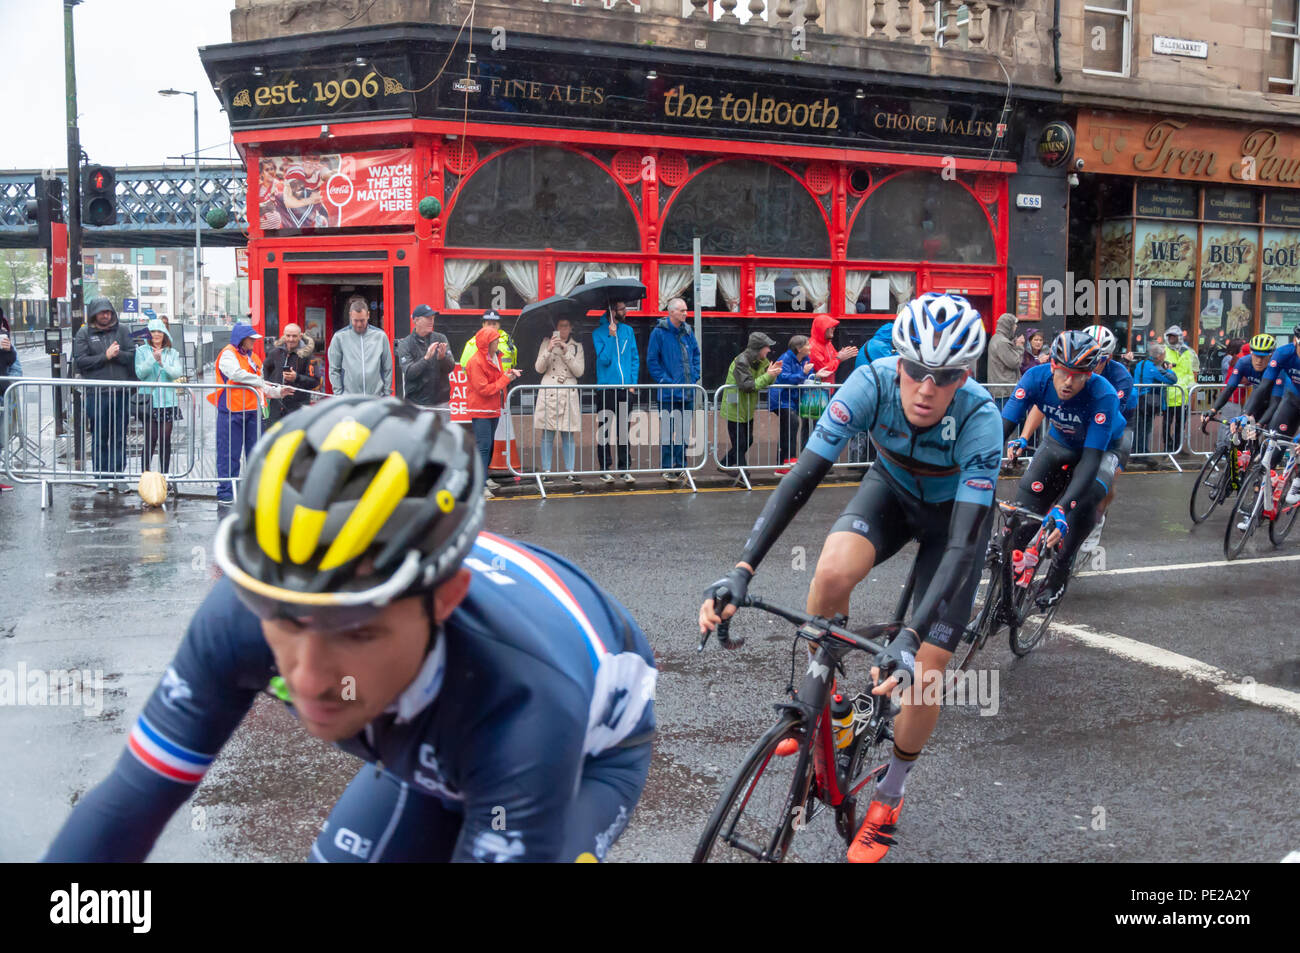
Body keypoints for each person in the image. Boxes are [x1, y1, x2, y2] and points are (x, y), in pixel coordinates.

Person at [43, 398, 657, 863]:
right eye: (285, 621)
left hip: (583, 759)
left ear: (444, 599)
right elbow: (130, 803)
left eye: (356, 631)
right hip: (427, 734)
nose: (306, 677)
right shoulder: (244, 612)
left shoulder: (524, 702)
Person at [700, 293, 1000, 864]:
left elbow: (962, 542)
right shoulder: (870, 382)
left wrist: (911, 636)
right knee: (831, 573)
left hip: (951, 525)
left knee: (928, 670)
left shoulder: (982, 422)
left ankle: (889, 797)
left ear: (964, 376)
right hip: (889, 495)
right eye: (915, 370)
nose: (925, 388)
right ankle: (827, 710)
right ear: (899, 362)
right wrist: (742, 569)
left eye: (943, 377)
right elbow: (802, 478)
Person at [1002, 330, 1125, 609]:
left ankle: (1059, 573)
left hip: (1103, 448)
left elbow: (1091, 460)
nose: (1069, 382)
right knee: (1021, 519)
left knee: (1084, 502)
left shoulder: (1103, 393)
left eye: (1079, 375)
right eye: (1064, 372)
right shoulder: (1035, 376)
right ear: (1053, 366)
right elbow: (1003, 426)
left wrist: (1064, 507)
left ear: (1090, 374)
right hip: (1060, 441)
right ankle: (1003, 602)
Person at [208, 322, 283, 507]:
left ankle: (253, 491)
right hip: (232, 411)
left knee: (255, 454)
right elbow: (235, 374)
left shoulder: (254, 358)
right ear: (242, 339)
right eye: (251, 339)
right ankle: (226, 492)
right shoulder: (228, 354)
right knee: (228, 454)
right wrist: (259, 380)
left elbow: (261, 384)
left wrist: (279, 392)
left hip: (252, 411)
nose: (254, 342)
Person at [73, 297, 137, 487]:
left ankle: (118, 476)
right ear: (94, 313)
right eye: (102, 312)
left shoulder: (123, 330)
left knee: (119, 435)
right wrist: (105, 356)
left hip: (120, 392)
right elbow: (81, 361)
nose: (106, 315)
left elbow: (133, 356)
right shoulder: (84, 333)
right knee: (99, 435)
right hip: (97, 393)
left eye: (108, 312)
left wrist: (117, 356)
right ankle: (101, 477)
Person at [646, 297, 700, 484]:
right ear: (671, 312)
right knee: (668, 432)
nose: (686, 313)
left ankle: (681, 466)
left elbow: (696, 355)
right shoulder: (659, 333)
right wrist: (664, 380)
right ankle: (667, 468)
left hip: (687, 391)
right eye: (682, 310)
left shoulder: (688, 331)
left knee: (684, 432)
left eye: (686, 310)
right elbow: (652, 361)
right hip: (668, 393)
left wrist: (695, 375)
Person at [465, 325, 521, 499]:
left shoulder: (494, 357)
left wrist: (509, 373)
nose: (498, 342)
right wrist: (506, 379)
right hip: (481, 410)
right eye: (495, 340)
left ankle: (485, 478)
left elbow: (496, 380)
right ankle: (480, 485)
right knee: (483, 448)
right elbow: (484, 389)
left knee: (488, 448)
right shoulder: (475, 362)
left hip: (493, 408)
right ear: (487, 343)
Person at [592, 300, 639, 485]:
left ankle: (624, 468)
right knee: (604, 430)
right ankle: (605, 468)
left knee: (623, 430)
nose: (625, 311)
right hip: (605, 388)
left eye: (624, 308)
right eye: (621, 309)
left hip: (624, 389)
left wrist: (632, 384)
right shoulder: (598, 333)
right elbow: (603, 360)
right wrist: (611, 337)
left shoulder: (628, 331)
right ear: (612, 311)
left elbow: (634, 358)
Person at [533, 317, 585, 484]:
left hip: (568, 392)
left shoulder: (577, 347)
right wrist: (548, 349)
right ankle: (546, 471)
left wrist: (565, 351)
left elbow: (579, 371)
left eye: (566, 326)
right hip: (549, 392)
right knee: (547, 433)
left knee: (568, 434)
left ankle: (570, 470)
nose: (563, 329)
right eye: (561, 326)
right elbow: (538, 368)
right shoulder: (546, 343)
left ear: (570, 328)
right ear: (555, 328)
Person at [719, 331, 777, 473]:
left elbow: (764, 381)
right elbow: (748, 386)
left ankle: (724, 464)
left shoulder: (761, 361)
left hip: (747, 407)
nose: (769, 350)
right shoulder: (741, 361)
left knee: (747, 441)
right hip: (735, 407)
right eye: (766, 347)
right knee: (740, 443)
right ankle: (743, 475)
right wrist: (768, 375)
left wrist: (772, 373)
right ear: (758, 348)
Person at [1203, 333, 1275, 447]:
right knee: (1239, 436)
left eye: (1263, 357)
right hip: (1257, 399)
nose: (1259, 361)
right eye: (1256, 355)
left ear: (1270, 356)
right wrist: (1213, 409)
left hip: (1276, 401)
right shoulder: (1243, 362)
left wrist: (1260, 424)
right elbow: (1229, 388)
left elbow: (1277, 402)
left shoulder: (1276, 367)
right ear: (1251, 353)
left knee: (1271, 441)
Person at [134, 318, 185, 473]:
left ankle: (164, 476)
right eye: (152, 331)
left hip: (168, 402)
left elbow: (177, 372)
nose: (156, 335)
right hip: (149, 403)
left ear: (164, 334)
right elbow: (140, 373)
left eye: (159, 331)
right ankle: (146, 476)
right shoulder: (141, 351)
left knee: (165, 440)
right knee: (150, 440)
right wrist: (152, 359)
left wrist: (163, 362)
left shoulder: (172, 353)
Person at [768, 334, 825, 472]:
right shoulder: (785, 359)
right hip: (782, 398)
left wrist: (815, 376)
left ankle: (785, 462)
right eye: (807, 344)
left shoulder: (805, 359)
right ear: (799, 348)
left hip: (794, 399)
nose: (810, 347)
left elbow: (806, 377)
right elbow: (785, 378)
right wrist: (803, 373)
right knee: (792, 424)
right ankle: (787, 461)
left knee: (790, 427)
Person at [328, 297, 392, 397]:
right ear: (350, 316)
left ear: (368, 315)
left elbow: (387, 367)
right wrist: (339, 394)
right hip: (349, 399)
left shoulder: (380, 336)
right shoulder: (339, 337)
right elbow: (334, 369)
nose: (359, 324)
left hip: (376, 398)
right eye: (355, 320)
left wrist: (387, 393)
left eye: (362, 320)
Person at [396, 304, 455, 410]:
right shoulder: (405, 343)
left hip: (441, 403)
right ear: (416, 320)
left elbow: (450, 368)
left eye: (433, 318)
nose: (431, 321)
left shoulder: (441, 338)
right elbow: (409, 373)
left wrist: (442, 358)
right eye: (428, 318)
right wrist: (426, 359)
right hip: (417, 404)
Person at [262, 323, 321, 423]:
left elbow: (315, 381)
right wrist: (271, 385)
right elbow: (266, 369)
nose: (291, 339)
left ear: (300, 336)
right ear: (284, 336)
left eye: (294, 336)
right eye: (288, 336)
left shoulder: (308, 356)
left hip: (298, 407)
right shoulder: (275, 352)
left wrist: (296, 377)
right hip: (276, 407)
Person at [1131, 342, 1177, 455]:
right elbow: (1172, 380)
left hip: (1136, 399)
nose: (1164, 357)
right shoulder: (1155, 368)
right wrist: (1169, 369)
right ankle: (1142, 453)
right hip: (1148, 402)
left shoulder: (1140, 364)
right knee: (1146, 429)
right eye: (1164, 355)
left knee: (1137, 428)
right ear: (1159, 356)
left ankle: (1136, 451)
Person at [1162, 325, 1197, 454]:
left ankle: (1177, 446)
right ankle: (1167, 446)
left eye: (1174, 336)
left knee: (1180, 424)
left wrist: (1192, 383)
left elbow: (1188, 372)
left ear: (1179, 337)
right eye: (1169, 336)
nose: (1171, 338)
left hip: (1183, 395)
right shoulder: (1164, 350)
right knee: (1167, 423)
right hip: (1169, 394)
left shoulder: (1187, 352)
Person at [0, 308, 20, 492]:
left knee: (1, 438)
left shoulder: (3, 336)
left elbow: (11, 363)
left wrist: (8, 350)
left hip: (1, 394)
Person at [808, 313, 858, 381]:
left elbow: (833, 358)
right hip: (818, 389)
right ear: (822, 328)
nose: (833, 328)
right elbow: (824, 370)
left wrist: (842, 355)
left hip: (827, 387)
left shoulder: (827, 343)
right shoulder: (813, 347)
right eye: (830, 326)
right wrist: (839, 358)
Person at [986, 313, 1024, 391]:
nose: (1016, 327)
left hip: (1000, 389)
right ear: (1008, 326)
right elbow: (1014, 362)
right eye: (1014, 324)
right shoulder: (1002, 342)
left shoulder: (997, 339)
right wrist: (1019, 346)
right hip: (1005, 390)